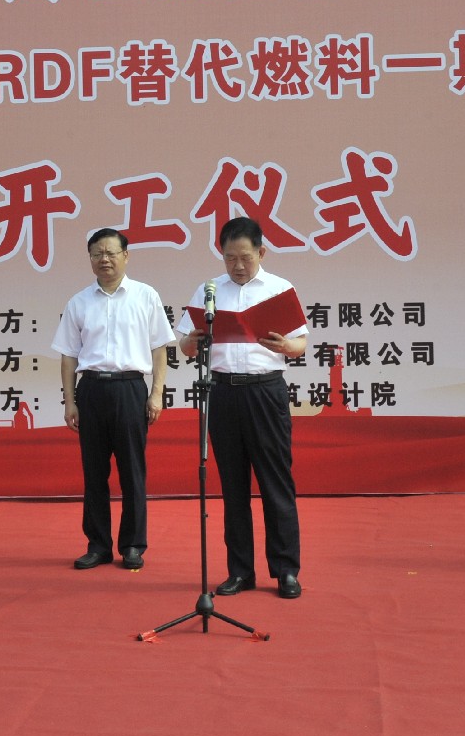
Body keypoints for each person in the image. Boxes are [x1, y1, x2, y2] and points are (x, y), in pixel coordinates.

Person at [176, 217, 309, 599]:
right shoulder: (209, 291)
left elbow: (300, 344)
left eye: (245, 257)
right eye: (230, 258)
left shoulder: (279, 289)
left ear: (261, 252)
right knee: (233, 487)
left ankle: (286, 571)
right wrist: (193, 340)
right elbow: (184, 346)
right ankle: (240, 571)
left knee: (275, 484)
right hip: (222, 393)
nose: (237, 265)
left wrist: (286, 346)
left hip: (265, 392)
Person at [53, 228, 173, 571]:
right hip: (91, 390)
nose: (104, 259)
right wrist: (70, 401)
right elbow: (68, 356)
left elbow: (159, 349)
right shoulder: (79, 302)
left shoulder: (145, 296)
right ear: (90, 258)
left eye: (111, 253)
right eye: (97, 254)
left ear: (126, 256)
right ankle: (98, 545)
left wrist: (156, 394)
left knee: (132, 471)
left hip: (130, 389)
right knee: (94, 473)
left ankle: (133, 545)